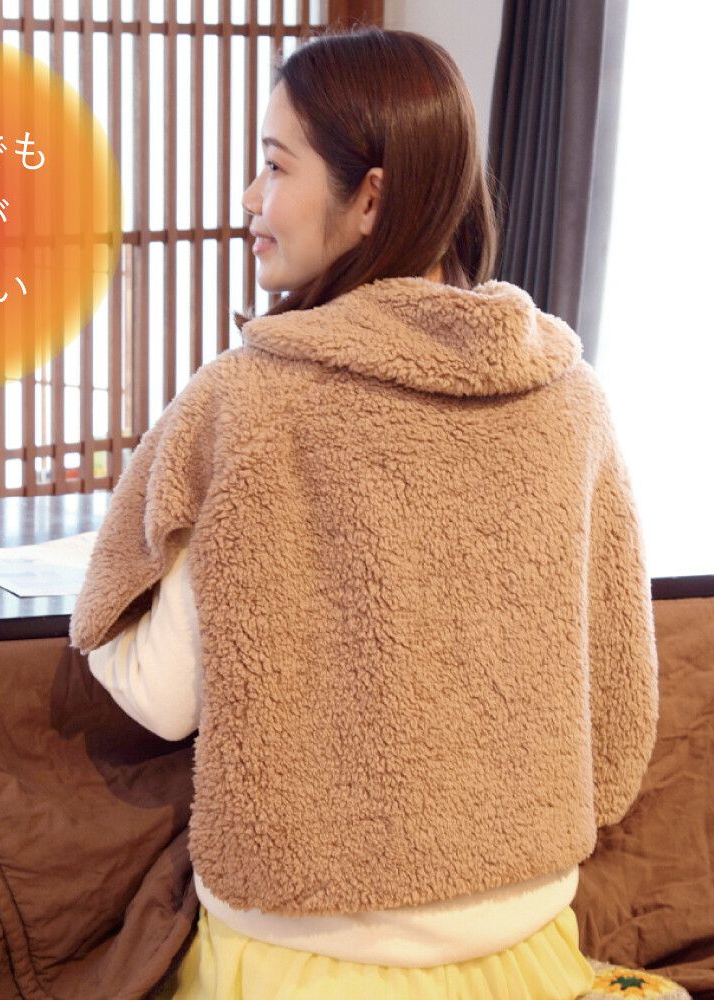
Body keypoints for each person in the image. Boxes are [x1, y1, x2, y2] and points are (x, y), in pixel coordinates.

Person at [69, 25, 659, 1000]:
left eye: (274, 167)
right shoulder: (572, 398)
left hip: (310, 958)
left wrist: (105, 620)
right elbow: (621, 708)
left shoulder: (251, 404)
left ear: (370, 197)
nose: (251, 198)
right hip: (531, 944)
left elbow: (163, 698)